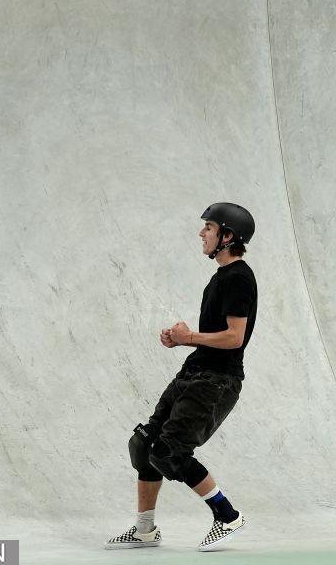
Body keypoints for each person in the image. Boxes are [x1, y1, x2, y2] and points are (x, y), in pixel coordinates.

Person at [104, 202, 258, 552]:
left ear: (227, 236)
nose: (202, 233)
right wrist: (182, 340)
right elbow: (216, 335)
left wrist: (190, 337)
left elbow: (235, 338)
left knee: (169, 451)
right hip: (195, 372)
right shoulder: (220, 277)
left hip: (217, 381)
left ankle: (228, 516)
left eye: (209, 228)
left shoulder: (239, 278)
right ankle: (145, 530)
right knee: (144, 445)